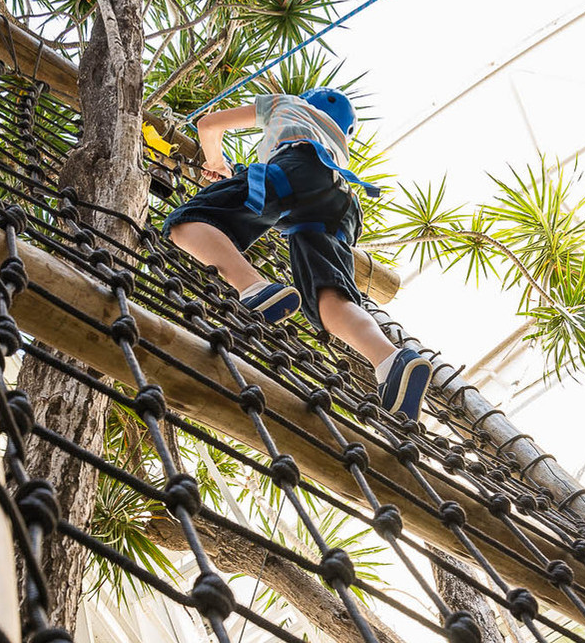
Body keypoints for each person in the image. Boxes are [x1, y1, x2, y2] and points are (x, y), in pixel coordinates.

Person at [165, 88, 433, 422]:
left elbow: (208, 124)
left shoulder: (287, 103)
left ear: (307, 99)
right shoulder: (338, 145)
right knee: (329, 296)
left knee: (187, 222)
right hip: (341, 202)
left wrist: (216, 162)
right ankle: (391, 360)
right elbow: (309, 181)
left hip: (296, 166)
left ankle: (254, 288)